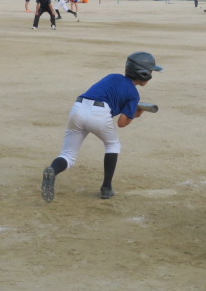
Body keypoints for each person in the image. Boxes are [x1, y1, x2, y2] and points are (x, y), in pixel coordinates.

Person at [41, 52, 163, 201]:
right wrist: (134, 115)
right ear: (143, 74)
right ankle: (106, 187)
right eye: (150, 71)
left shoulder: (112, 76)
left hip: (78, 107)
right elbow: (122, 123)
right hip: (99, 113)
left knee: (67, 155)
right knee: (112, 145)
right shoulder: (133, 94)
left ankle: (53, 170)